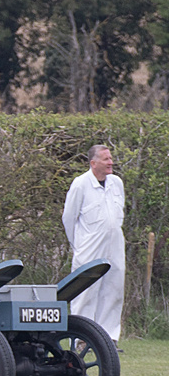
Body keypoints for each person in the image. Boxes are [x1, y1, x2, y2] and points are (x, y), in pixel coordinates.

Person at [62, 144, 125, 342]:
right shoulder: (81, 184)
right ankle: (80, 338)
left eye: (110, 158)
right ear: (93, 163)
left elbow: (118, 214)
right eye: (106, 159)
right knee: (86, 291)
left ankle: (109, 338)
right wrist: (79, 246)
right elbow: (69, 218)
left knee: (113, 288)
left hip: (114, 244)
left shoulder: (116, 183)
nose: (111, 162)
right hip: (89, 247)